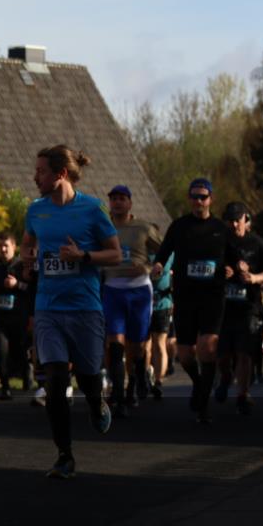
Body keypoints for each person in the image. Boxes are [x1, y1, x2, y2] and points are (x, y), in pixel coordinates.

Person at [21, 145, 120, 479]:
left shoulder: (92, 209)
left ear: (60, 174)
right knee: (56, 379)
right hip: (48, 307)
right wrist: (28, 259)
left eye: (41, 172)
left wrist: (83, 257)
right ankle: (64, 455)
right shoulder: (35, 210)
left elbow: (116, 254)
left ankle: (95, 403)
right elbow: (27, 243)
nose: (35, 177)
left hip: (85, 307)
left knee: (90, 376)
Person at [152, 178, 231, 424]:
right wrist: (158, 264)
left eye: (203, 197)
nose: (198, 201)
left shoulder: (220, 228)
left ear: (211, 199)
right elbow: (164, 252)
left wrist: (233, 267)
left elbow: (235, 257)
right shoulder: (179, 227)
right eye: (194, 196)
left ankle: (203, 404)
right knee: (185, 355)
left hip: (212, 296)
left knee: (207, 347)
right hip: (185, 296)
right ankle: (199, 384)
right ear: (189, 199)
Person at [101, 185, 162, 417]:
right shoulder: (103, 228)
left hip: (139, 292)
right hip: (112, 289)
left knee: (136, 346)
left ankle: (135, 379)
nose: (117, 203)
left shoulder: (143, 228)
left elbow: (165, 252)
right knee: (115, 344)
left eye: (122, 199)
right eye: (114, 198)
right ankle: (118, 395)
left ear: (130, 203)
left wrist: (150, 267)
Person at [215, 202, 263, 415]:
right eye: (229, 220)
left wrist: (254, 277)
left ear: (246, 220)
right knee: (222, 355)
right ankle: (225, 376)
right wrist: (222, 271)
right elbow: (209, 268)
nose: (233, 224)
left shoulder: (258, 244)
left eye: (237, 220)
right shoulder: (219, 242)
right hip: (223, 306)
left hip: (248, 306)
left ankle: (243, 394)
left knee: (244, 352)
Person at [0, 231, 36, 400]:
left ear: (14, 247)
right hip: (0, 318)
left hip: (19, 317)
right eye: (0, 246)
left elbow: (31, 290)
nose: (3, 249)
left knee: (20, 350)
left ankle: (27, 376)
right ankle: (5, 387)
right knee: (1, 351)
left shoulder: (23, 266)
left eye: (6, 245)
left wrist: (17, 284)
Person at [149, 251, 174, 400]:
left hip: (163, 304)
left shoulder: (170, 255)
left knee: (159, 343)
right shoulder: (142, 252)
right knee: (149, 345)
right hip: (144, 303)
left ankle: (158, 381)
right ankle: (147, 376)